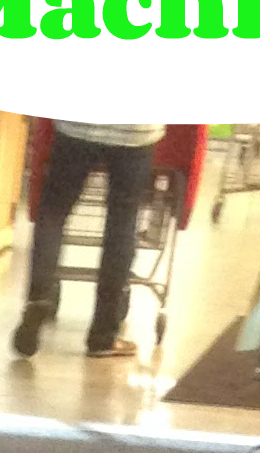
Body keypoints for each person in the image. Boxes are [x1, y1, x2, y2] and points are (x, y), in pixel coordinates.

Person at [11, 118, 164, 361]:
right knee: (122, 223)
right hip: (136, 132)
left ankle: (38, 299)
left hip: (76, 126)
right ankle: (103, 335)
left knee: (53, 213)